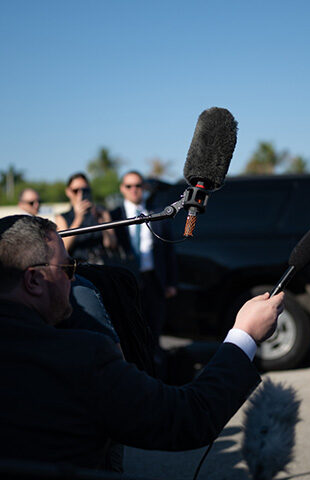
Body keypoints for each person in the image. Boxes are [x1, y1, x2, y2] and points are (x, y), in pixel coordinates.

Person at [0, 214, 284, 470]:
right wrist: (244, 334)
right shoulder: (79, 359)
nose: (74, 279)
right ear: (34, 280)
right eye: (67, 268)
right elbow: (188, 418)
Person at [109, 170, 178, 360]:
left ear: (144, 188)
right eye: (129, 186)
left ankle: (156, 371)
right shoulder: (114, 215)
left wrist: (171, 282)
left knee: (154, 329)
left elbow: (168, 251)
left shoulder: (157, 212)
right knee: (128, 329)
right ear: (122, 189)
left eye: (138, 185)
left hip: (153, 279)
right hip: (126, 280)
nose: (134, 190)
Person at [55, 172, 117, 263]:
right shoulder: (62, 217)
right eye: (76, 191)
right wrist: (78, 219)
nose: (80, 194)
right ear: (68, 192)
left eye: (85, 190)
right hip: (78, 268)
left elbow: (111, 244)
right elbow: (63, 248)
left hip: (101, 265)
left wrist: (103, 222)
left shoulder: (101, 212)